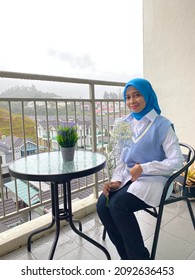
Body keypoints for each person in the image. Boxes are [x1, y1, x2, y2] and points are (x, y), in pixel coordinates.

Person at [97, 78, 184, 260]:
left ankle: (140, 261)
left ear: (148, 95)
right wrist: (116, 180)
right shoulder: (124, 123)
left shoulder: (162, 125)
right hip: (129, 177)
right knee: (103, 205)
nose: (132, 101)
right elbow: (121, 158)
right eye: (128, 97)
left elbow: (176, 161)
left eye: (137, 95)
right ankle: (127, 258)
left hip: (157, 179)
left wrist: (145, 168)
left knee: (118, 205)